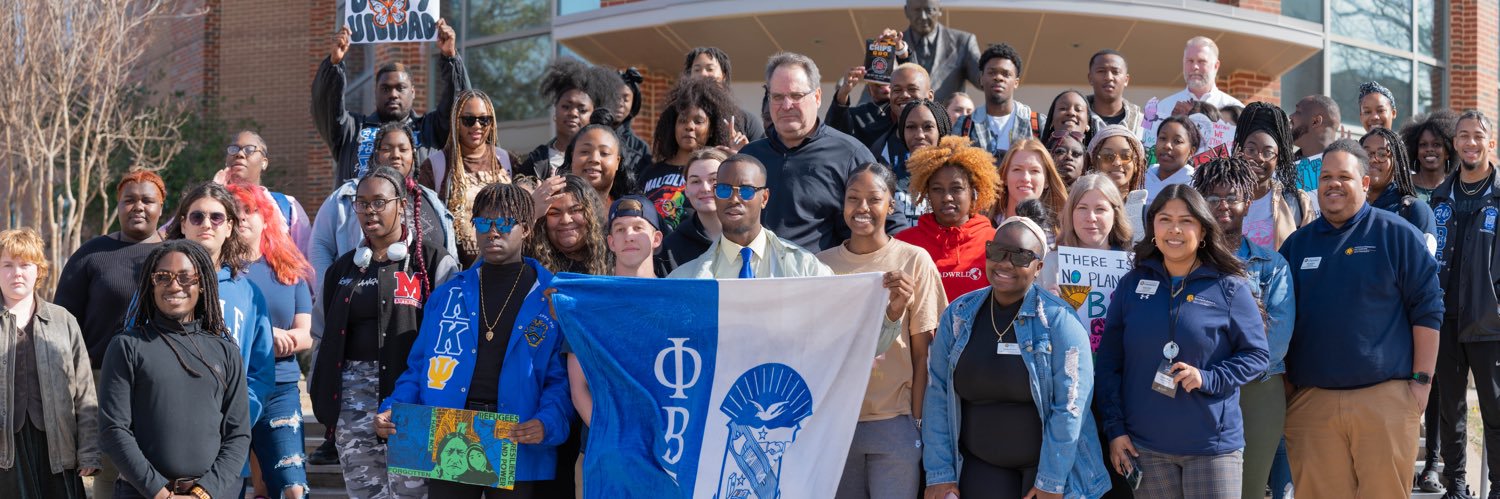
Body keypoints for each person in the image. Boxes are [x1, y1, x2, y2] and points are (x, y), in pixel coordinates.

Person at [377, 182, 571, 498]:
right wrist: (393, 407)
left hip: (515, 435)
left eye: (505, 223)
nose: (492, 232)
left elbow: (560, 379)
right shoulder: (447, 294)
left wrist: (547, 422)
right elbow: (419, 368)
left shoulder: (551, 297)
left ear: (525, 229)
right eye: (483, 223)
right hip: (449, 432)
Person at [1279, 140, 1443, 499]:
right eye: (1326, 177)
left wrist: (1422, 383)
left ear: (1365, 183)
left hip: (1384, 399)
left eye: (1344, 177)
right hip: (1313, 403)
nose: (1333, 184)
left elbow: (1428, 310)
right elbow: (1279, 322)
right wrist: (1292, 389)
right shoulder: (1296, 246)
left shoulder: (1397, 235)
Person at [1097, 184, 1269, 499]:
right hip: (1145, 448)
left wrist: (1208, 377)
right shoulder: (1131, 285)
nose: (1174, 229)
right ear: (1152, 228)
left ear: (1203, 230)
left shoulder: (1230, 287)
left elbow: (1257, 356)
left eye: (1186, 220)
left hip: (1211, 448)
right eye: (1165, 219)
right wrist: (1115, 429)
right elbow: (1109, 364)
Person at [922, 216, 1110, 499]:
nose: (1005, 263)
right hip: (978, 466)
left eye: (1021, 256)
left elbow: (1070, 407)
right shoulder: (958, 316)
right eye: (997, 251)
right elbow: (937, 394)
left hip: (1047, 474)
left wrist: (1051, 481)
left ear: (1039, 268)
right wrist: (939, 473)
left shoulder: (1060, 321)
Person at [310, 167, 457, 499]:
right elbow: (322, 335)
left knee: (414, 495)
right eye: (361, 203)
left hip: (412, 398)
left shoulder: (433, 263)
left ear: (401, 204)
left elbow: (450, 341)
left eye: (378, 202)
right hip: (352, 403)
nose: (368, 211)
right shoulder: (342, 269)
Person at [816, 163, 946, 499]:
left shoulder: (914, 261)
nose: (862, 208)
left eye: (874, 199)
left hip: (895, 422)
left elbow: (924, 354)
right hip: (838, 425)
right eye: (853, 198)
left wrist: (914, 420)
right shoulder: (820, 265)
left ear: (891, 205)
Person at [98, 241, 250, 499]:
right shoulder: (127, 346)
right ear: (151, 284)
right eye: (163, 277)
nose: (174, 285)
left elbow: (238, 435)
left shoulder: (226, 352)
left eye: (185, 276)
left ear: (202, 284)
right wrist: (160, 493)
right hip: (141, 493)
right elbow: (114, 430)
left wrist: (202, 493)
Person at [1189, 158, 1297, 499]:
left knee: (1248, 489)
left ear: (1248, 202)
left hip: (1257, 388)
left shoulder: (1272, 266)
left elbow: (1275, 342)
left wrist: (1218, 363)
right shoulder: (1185, 263)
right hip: (1195, 388)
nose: (1223, 206)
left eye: (1232, 197)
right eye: (1212, 198)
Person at [51, 171, 162, 499]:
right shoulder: (91, 254)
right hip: (101, 378)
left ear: (161, 206)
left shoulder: (176, 255)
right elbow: (63, 323)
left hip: (161, 379)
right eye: (129, 200)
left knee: (160, 460)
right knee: (111, 468)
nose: (137, 206)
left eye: (147, 200)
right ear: (118, 206)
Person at [740, 51, 908, 252]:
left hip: (824, 278)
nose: (786, 105)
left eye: (796, 96)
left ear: (817, 97)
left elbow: (891, 220)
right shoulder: (749, 158)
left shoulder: (850, 154)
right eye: (777, 96)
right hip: (756, 279)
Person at [164, 182, 276, 443]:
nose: (206, 224)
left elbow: (261, 372)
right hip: (166, 431)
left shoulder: (249, 295)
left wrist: (239, 417)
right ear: (183, 224)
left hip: (225, 436)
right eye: (197, 216)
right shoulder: (158, 286)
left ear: (228, 227)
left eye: (216, 217)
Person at [1429, 111, 1500, 499]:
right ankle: (1456, 483)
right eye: (1463, 136)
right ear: (1454, 143)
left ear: (1491, 142)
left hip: (1489, 320)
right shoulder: (1441, 196)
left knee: (1495, 409)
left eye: (1478, 136)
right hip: (1446, 319)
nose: (1470, 143)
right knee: (1450, 410)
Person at [227, 183, 314, 499]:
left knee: (292, 488)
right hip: (229, 390)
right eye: (234, 213)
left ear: (265, 218)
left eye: (250, 211)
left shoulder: (290, 269)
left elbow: (306, 334)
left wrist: (288, 338)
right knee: (230, 486)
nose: (243, 219)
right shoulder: (218, 274)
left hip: (280, 388)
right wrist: (264, 334)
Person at [0, 228, 97, 499]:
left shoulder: (63, 321)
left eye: (25, 265)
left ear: (38, 270)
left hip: (57, 448)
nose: (16, 273)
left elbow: (85, 391)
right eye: (7, 265)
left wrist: (89, 449)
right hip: (5, 453)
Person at [314, 20, 467, 183]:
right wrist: (334, 65)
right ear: (375, 93)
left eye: (400, 88)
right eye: (385, 89)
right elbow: (325, 105)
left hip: (419, 208)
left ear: (413, 92)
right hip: (357, 208)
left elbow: (460, 104)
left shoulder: (432, 130)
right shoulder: (351, 130)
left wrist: (450, 59)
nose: (393, 94)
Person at [316, 122, 458, 281]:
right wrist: (328, 294)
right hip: (360, 297)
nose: (395, 155)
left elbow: (449, 257)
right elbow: (320, 245)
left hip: (430, 300)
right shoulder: (347, 196)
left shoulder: (432, 200)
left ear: (413, 154)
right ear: (376, 154)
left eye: (403, 149)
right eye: (386, 149)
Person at [419, 89, 518, 266]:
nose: (477, 126)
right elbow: (425, 226)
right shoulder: (435, 165)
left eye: (484, 119)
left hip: (506, 267)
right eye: (468, 120)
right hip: (458, 272)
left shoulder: (508, 161)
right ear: (455, 122)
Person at [897, 136, 1001, 302]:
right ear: (927, 194)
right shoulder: (904, 243)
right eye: (937, 189)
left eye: (956, 188)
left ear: (973, 191)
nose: (947, 197)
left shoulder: (996, 241)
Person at [644, 77, 737, 232]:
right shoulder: (650, 172)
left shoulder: (723, 171)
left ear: (712, 128)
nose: (689, 126)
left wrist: (739, 159)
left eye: (698, 121)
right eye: (682, 121)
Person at [517, 59, 620, 180]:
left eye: (582, 110)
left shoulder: (603, 163)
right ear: (555, 110)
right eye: (566, 107)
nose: (573, 113)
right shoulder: (534, 162)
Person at [1233, 102, 1317, 250]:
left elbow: (1308, 254)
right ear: (1239, 150)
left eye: (1268, 152)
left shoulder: (1297, 202)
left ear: (1279, 157)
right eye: (1251, 150)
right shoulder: (1220, 199)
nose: (1259, 158)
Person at [218, 131, 314, 253]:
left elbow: (305, 259)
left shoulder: (287, 206)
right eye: (233, 149)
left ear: (264, 163)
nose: (239, 154)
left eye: (249, 150)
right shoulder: (214, 203)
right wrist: (214, 193)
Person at [952, 43, 1043, 158]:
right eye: (992, 72)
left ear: (1016, 82)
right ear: (981, 79)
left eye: (1006, 74)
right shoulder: (964, 125)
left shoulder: (1037, 124)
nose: (998, 78)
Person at [891, 0, 981, 104]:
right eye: (917, 10)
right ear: (906, 11)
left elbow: (982, 79)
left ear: (939, 10)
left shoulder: (963, 42)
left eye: (929, 10)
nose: (923, 16)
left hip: (948, 118)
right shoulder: (894, 45)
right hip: (905, 118)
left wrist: (994, 64)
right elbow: (872, 95)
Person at [828, 63, 934, 150]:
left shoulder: (937, 123)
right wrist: (842, 94)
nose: (904, 95)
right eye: (897, 90)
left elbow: (918, 80)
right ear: (869, 89)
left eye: (889, 84)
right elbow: (832, 133)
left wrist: (903, 52)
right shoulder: (858, 117)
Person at [1360, 127, 1437, 246]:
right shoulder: (1349, 210)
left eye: (1382, 154)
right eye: (1366, 154)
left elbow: (1423, 263)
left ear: (1396, 162)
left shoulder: (1415, 210)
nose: (1373, 160)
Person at [526, 174, 611, 276]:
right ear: (542, 221)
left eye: (575, 210)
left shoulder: (615, 256)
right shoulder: (529, 263)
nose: (565, 220)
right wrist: (530, 211)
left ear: (592, 213)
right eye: (554, 213)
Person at [660, 148, 728, 274]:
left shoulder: (751, 238)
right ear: (686, 189)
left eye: (714, 179)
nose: (705, 188)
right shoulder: (671, 248)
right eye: (696, 181)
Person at [682, 46, 765, 142]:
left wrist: (743, 154)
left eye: (710, 69)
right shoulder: (677, 116)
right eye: (697, 70)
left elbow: (763, 156)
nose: (703, 74)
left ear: (724, 76)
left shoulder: (746, 121)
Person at [561, 110, 638, 208]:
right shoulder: (552, 205)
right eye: (585, 151)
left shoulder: (631, 211)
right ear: (572, 157)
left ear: (618, 162)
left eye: (604, 153)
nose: (594, 159)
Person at [892, 99, 954, 218]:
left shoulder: (957, 176)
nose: (919, 135)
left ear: (941, 131)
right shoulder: (890, 179)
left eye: (928, 127)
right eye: (911, 127)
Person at [1086, 125, 1149, 242]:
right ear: (1094, 162)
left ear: (1136, 164)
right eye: (1108, 157)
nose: (1117, 162)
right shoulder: (1077, 208)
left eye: (1126, 156)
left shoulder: (1148, 215)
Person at [1155, 37, 1244, 116]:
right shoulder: (1163, 109)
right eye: (1190, 61)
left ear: (1216, 66)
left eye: (1202, 61)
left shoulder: (1237, 111)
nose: (1195, 67)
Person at [994, 139, 1068, 227]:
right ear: (1004, 177)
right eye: (1017, 169)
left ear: (1047, 181)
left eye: (1035, 171)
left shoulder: (1060, 235)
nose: (1025, 178)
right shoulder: (984, 227)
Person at [1059, 174, 1133, 252]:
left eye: (1100, 209)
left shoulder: (1131, 262)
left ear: (1115, 215)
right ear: (1070, 213)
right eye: (1082, 208)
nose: (1091, 218)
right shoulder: (1052, 261)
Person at [1403, 110, 1461, 201]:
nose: (1429, 149)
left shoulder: (1457, 189)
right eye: (1423, 145)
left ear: (1447, 152)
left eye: (1436, 144)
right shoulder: (1403, 186)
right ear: (1416, 152)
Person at [1145, 115, 1202, 207]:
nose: (1167, 145)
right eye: (1163, 138)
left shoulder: (1196, 186)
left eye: (1177, 141)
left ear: (1191, 151)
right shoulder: (1141, 179)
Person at [1289, 95, 1342, 191]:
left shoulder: (1347, 166)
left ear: (1315, 121)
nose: (1290, 116)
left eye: (1298, 112)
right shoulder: (1283, 167)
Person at [606, 195, 664, 278]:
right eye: (620, 229)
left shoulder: (674, 290)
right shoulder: (596, 290)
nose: (629, 237)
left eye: (638, 228)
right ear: (611, 243)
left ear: (656, 239)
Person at [1039, 91, 1102, 167]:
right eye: (1063, 108)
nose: (1071, 112)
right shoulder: (1038, 160)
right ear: (1051, 120)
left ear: (1088, 123)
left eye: (1078, 109)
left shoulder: (1098, 165)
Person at [1087, 50, 1142, 136]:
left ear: (1126, 80)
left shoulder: (1142, 124)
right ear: (1090, 78)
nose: (1109, 77)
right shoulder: (1076, 120)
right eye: (1101, 71)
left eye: (1115, 72)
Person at [614, 67, 653, 178]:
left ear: (633, 103)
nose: (620, 103)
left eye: (626, 99)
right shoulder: (589, 135)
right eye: (615, 96)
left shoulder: (640, 148)